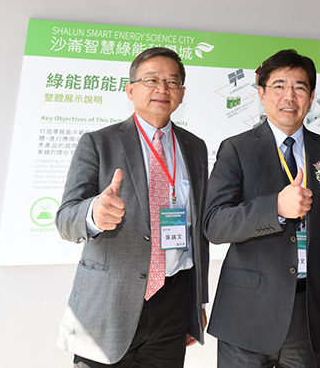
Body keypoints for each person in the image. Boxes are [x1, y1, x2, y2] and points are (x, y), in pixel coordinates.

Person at [204, 49, 320, 368]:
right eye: (279, 86)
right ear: (261, 93)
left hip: (309, 313)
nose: (289, 96)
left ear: (312, 96)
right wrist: (274, 207)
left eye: (300, 87)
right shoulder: (236, 149)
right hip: (246, 314)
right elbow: (214, 224)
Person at [56, 47, 209, 368]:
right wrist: (95, 212)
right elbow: (65, 218)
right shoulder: (99, 142)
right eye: (151, 79)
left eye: (172, 82)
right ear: (130, 89)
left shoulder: (195, 148)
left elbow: (198, 233)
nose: (162, 89)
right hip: (109, 303)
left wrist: (196, 303)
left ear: (182, 93)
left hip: (172, 301)